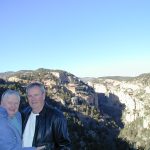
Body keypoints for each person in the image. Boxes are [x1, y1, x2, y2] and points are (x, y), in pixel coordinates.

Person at [22, 82, 71, 150]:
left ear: (43, 95)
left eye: (36, 95)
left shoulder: (56, 117)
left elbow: (65, 146)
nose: (33, 99)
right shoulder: (23, 114)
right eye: (30, 96)